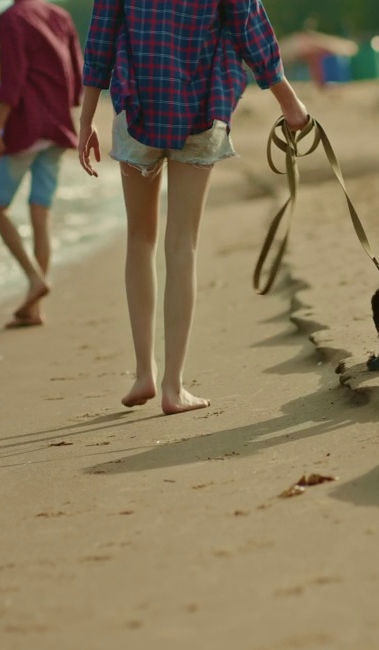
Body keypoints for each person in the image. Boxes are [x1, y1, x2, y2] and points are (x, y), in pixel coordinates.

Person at [78, 0, 310, 414]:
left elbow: (101, 36)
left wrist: (86, 119)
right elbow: (250, 29)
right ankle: (173, 387)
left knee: (140, 240)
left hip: (137, 108)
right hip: (201, 105)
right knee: (182, 243)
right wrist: (290, 104)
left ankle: (143, 373)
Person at [0, 0, 83, 328]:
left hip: (27, 125)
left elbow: (13, 79)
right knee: (40, 215)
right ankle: (34, 309)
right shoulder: (60, 16)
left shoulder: (12, 18)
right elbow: (76, 74)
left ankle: (34, 278)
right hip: (58, 126)